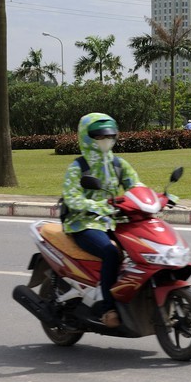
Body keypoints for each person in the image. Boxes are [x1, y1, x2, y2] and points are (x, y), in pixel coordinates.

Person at [60, 113, 141, 328]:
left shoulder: (118, 163)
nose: (105, 141)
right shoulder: (78, 167)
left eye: (109, 137)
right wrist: (98, 206)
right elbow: (71, 197)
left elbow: (136, 186)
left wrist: (158, 199)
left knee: (141, 250)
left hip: (115, 221)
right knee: (111, 252)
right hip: (83, 223)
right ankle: (108, 307)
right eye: (99, 137)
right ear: (86, 137)